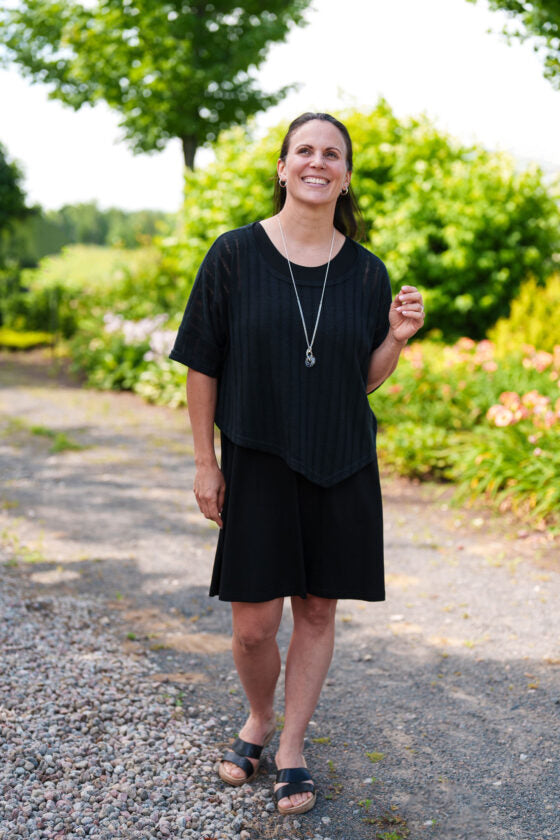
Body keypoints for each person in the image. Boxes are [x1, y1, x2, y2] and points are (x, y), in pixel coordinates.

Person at [169, 112, 425, 816]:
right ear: (283, 167)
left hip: (341, 460)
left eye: (332, 154)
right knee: (253, 623)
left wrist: (397, 339)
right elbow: (200, 364)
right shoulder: (234, 255)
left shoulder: (367, 272)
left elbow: (360, 378)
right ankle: (257, 716)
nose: (318, 162)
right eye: (304, 151)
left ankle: (291, 747)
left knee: (317, 609)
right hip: (256, 457)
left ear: (344, 175)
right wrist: (204, 462)